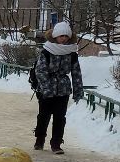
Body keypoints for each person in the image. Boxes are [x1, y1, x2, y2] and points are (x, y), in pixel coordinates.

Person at [29, 21, 84, 154]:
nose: (64, 38)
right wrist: (46, 88)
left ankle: (56, 144)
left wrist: (78, 91)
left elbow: (76, 73)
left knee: (60, 117)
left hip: (63, 90)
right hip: (46, 90)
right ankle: (39, 140)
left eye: (66, 36)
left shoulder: (72, 53)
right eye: (61, 36)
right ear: (55, 36)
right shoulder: (47, 51)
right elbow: (40, 71)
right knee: (44, 116)